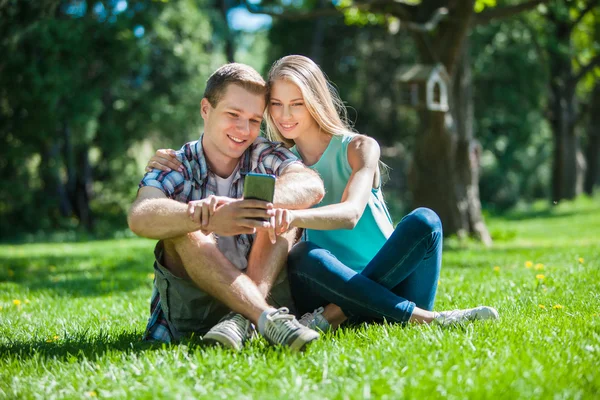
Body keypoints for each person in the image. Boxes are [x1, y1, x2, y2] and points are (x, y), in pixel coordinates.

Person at [148, 55, 498, 333]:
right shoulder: (280, 162)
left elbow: (350, 214)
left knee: (425, 220)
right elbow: (225, 137)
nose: (285, 116)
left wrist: (295, 215)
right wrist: (172, 158)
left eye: (297, 103)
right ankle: (425, 319)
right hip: (329, 285)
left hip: (395, 284)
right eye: (277, 105)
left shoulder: (359, 148)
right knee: (303, 256)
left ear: (315, 101)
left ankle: (337, 316)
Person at [128, 62, 326, 351]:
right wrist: (204, 217)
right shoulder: (176, 164)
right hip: (195, 310)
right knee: (184, 226)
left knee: (280, 215)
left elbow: (311, 185)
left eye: (254, 120)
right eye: (233, 115)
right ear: (206, 109)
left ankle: (244, 318)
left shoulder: (264, 154)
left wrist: (242, 206)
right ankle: (261, 316)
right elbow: (140, 215)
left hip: (268, 294)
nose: (244, 130)